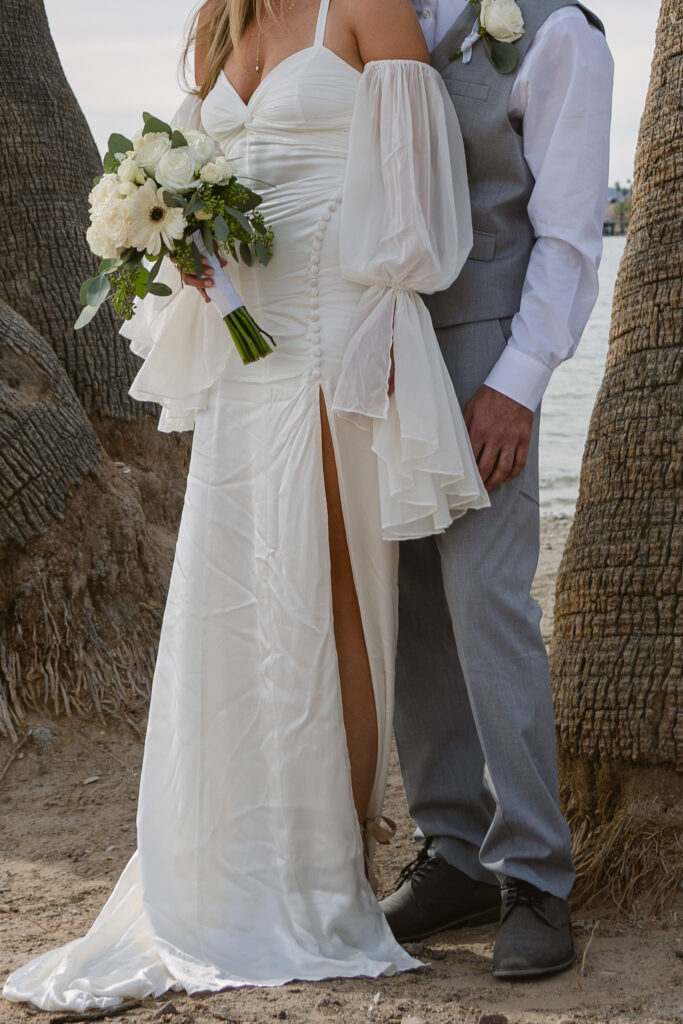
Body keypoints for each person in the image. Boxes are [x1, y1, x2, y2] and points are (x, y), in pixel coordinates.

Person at [2, 0, 488, 1012]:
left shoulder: (368, 8)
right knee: (240, 598)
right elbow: (188, 176)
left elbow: (414, 185)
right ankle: (234, 859)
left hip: (333, 327)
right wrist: (170, 242)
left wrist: (382, 317)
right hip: (244, 345)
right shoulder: (215, 30)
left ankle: (338, 867)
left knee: (338, 592)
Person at [380, 0, 614, 980]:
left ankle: (534, 875)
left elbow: (566, 235)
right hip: (380, 346)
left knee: (485, 605)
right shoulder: (377, 13)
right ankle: (454, 850)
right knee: (416, 613)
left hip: (484, 350)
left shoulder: (557, 29)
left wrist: (515, 386)